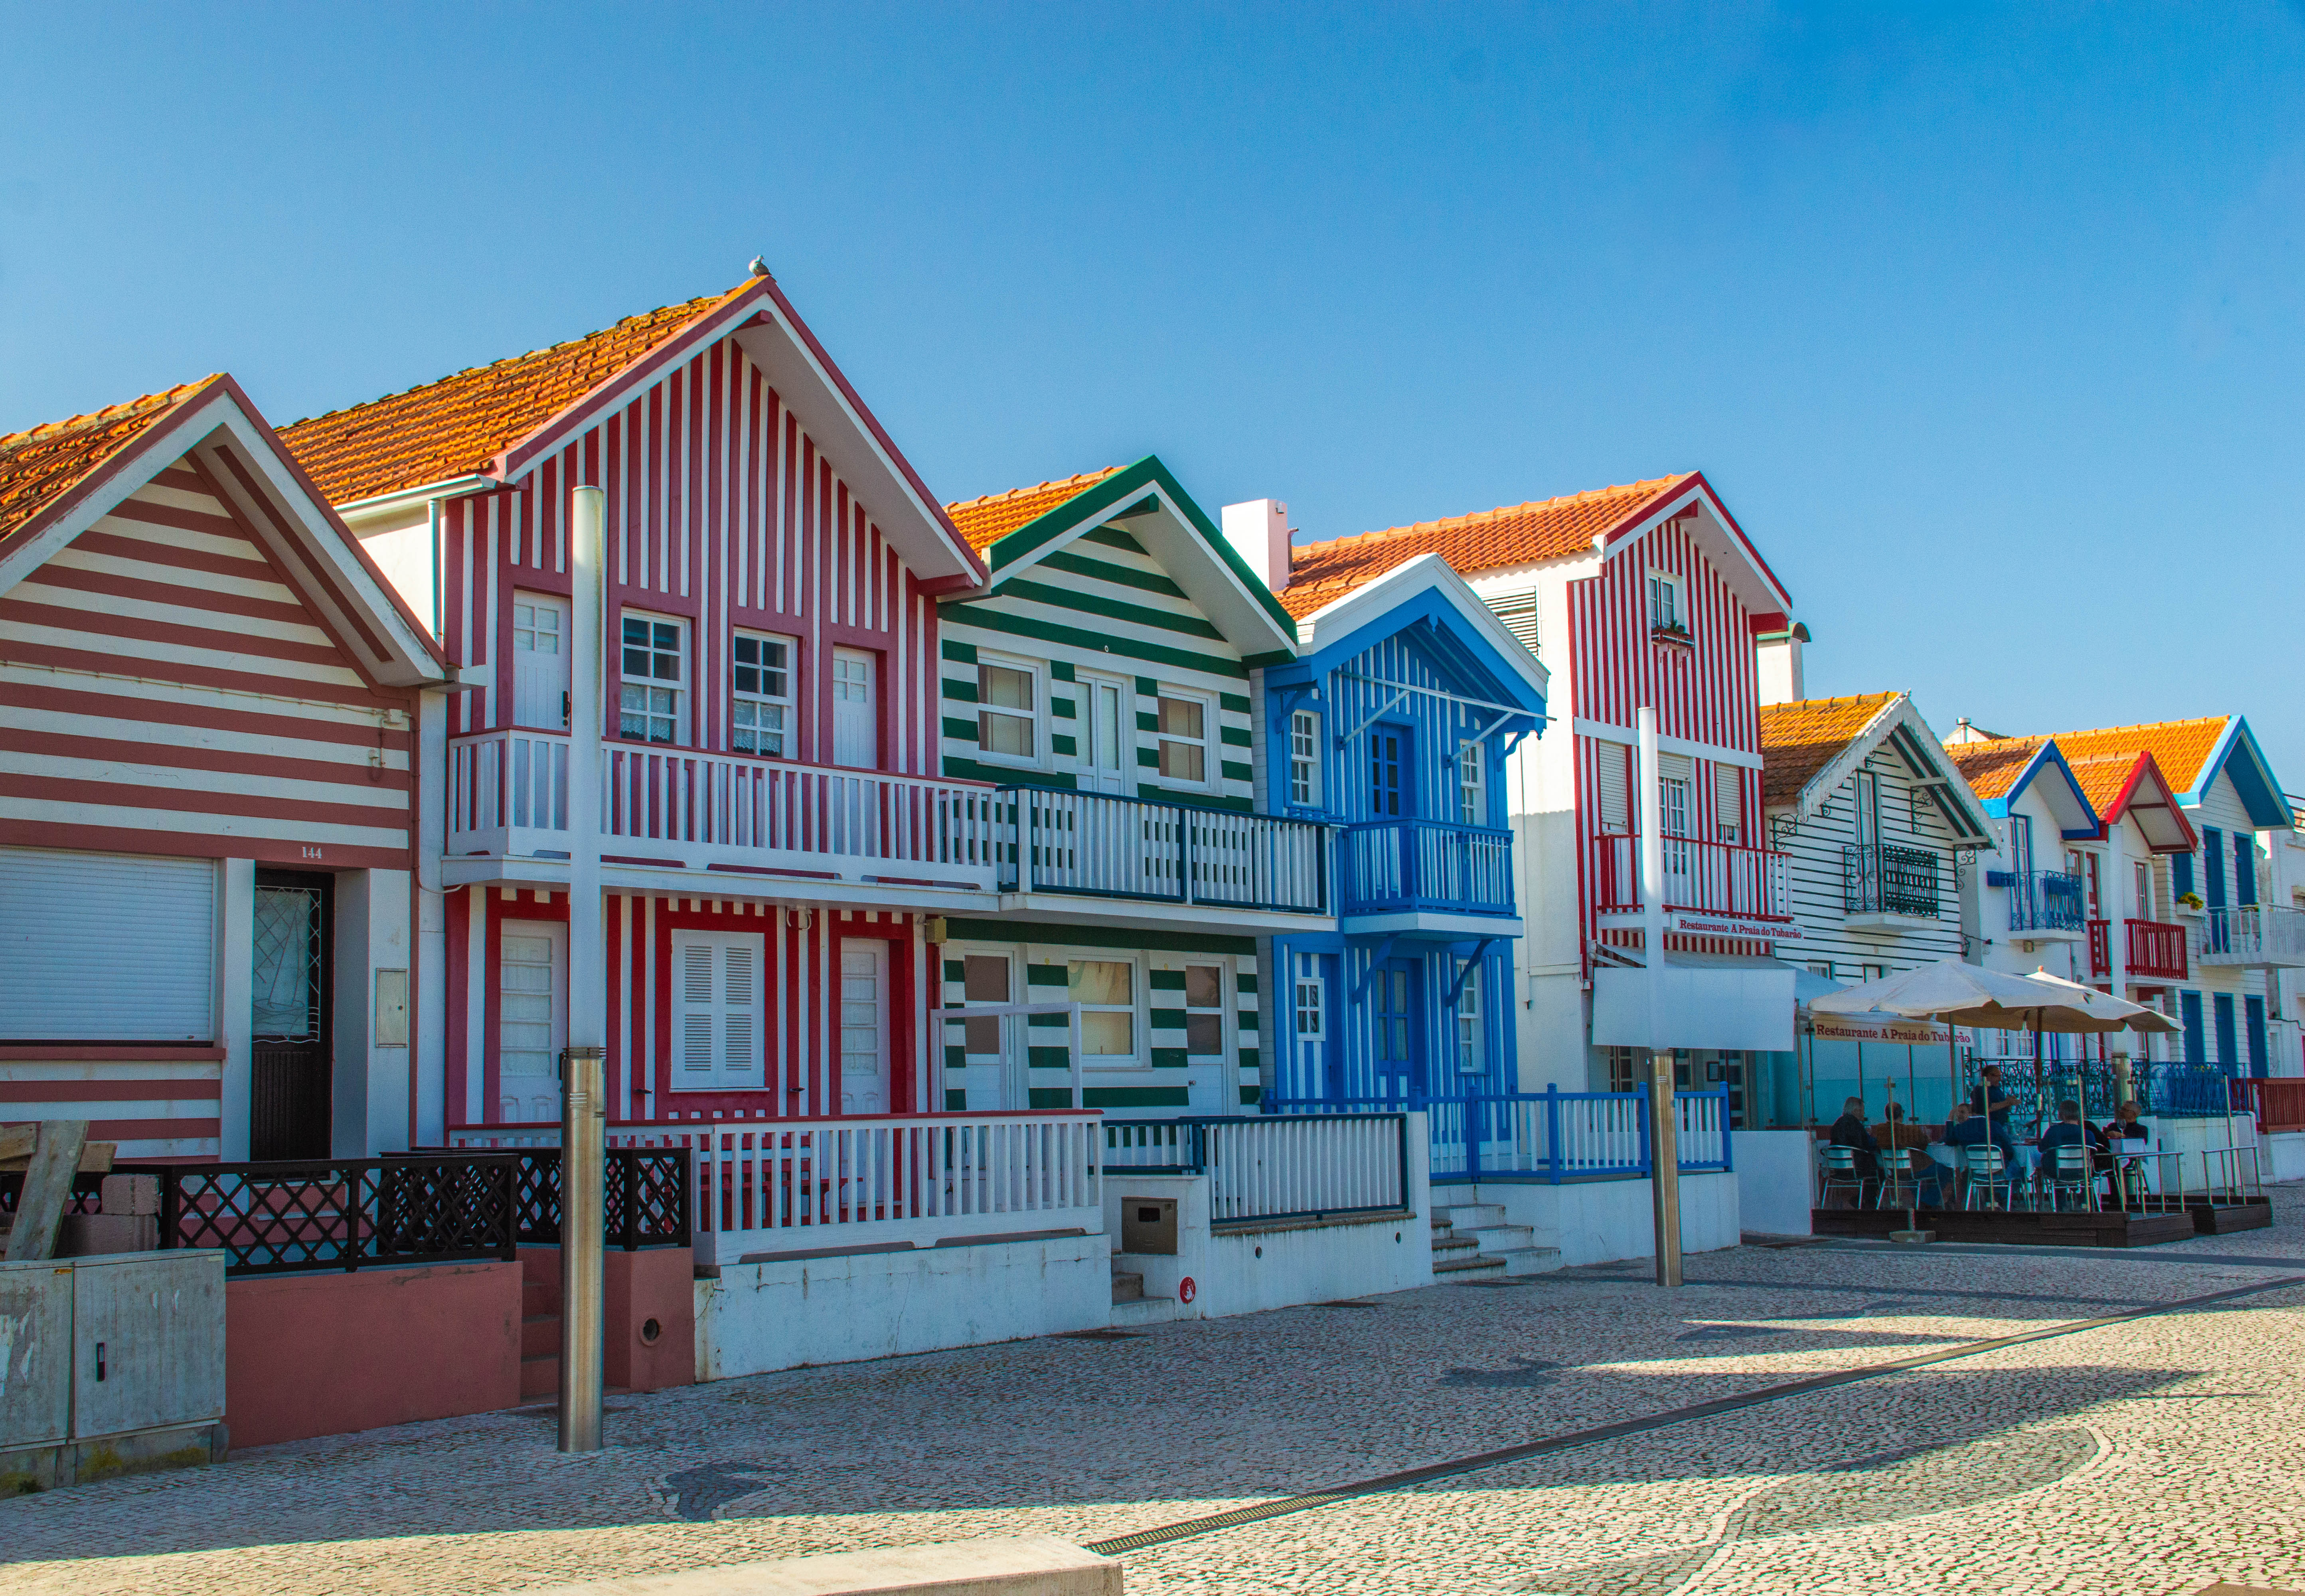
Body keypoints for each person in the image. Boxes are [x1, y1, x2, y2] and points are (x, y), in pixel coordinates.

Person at [1969, 1065, 2023, 1168]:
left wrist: (2010, 1103)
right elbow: (1987, 1108)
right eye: (1997, 1076)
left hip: (2002, 1125)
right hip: (1991, 1129)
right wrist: (2007, 1103)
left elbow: (2005, 1105)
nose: (2000, 1079)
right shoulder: (1981, 1090)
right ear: (1989, 1076)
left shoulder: (1997, 1089)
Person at [1827, 1096, 1880, 1198]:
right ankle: (1866, 1200)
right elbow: (1867, 1145)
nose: (1864, 1113)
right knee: (1881, 1170)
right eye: (1863, 1110)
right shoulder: (1856, 1125)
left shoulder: (1837, 1124)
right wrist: (1878, 1140)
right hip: (1856, 1169)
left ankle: (1864, 1200)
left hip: (1838, 1170)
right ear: (1856, 1111)